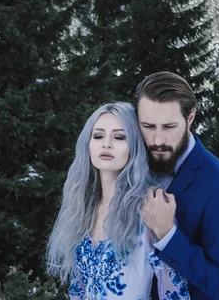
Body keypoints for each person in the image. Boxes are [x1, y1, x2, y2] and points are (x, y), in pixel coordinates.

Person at [46, 102, 190, 300]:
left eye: (119, 137)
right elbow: (78, 289)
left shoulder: (150, 205)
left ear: (135, 145)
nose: (106, 144)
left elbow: (174, 294)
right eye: (98, 136)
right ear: (87, 145)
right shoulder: (83, 207)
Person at [135, 72, 219, 300]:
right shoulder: (133, 169)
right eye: (147, 125)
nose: (157, 140)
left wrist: (168, 235)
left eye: (168, 126)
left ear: (190, 117)